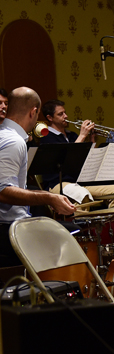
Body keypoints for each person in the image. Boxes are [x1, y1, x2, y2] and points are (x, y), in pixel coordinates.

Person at [0, 87, 76, 265]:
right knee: (74, 232)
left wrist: (48, 196)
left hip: (9, 225)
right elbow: (3, 191)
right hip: (9, 229)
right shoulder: (13, 141)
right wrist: (49, 198)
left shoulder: (5, 135)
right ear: (33, 112)